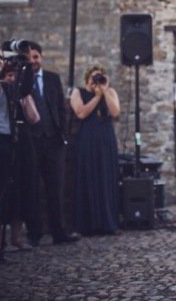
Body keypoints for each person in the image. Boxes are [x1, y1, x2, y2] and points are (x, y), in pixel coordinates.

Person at [21, 41, 79, 246]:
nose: (33, 61)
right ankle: (34, 234)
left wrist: (62, 133)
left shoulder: (53, 78)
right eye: (29, 59)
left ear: (42, 58)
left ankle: (59, 232)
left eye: (36, 57)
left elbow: (60, 108)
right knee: (32, 188)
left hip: (54, 141)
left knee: (55, 188)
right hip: (31, 141)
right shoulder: (22, 79)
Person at [70, 65, 121, 236]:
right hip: (87, 138)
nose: (96, 81)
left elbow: (115, 112)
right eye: (93, 78)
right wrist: (96, 97)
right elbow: (81, 113)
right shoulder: (78, 92)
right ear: (87, 79)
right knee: (88, 176)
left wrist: (104, 92)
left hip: (106, 139)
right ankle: (87, 224)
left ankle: (108, 222)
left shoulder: (110, 92)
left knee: (106, 176)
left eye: (99, 77)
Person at [0, 46, 18, 262]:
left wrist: (25, 64)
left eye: (0, 57)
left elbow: (25, 90)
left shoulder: (6, 88)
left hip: (3, 142)